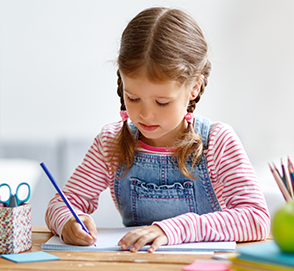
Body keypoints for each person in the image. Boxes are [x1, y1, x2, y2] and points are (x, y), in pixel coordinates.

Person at [45, 7, 270, 253]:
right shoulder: (110, 142)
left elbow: (256, 219)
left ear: (194, 87)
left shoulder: (217, 142)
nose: (145, 114)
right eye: (132, 98)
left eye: (162, 102)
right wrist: (67, 221)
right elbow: (61, 204)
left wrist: (174, 229)